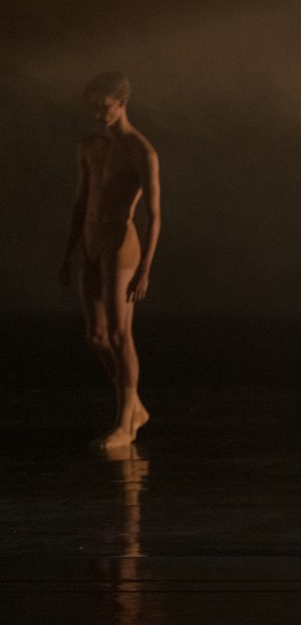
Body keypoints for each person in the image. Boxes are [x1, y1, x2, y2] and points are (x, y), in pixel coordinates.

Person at [60, 71, 161, 449]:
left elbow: (154, 215)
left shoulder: (141, 150)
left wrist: (145, 268)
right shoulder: (88, 146)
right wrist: (69, 252)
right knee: (97, 336)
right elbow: (81, 202)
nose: (98, 113)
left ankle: (125, 424)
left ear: (121, 103)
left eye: (104, 106)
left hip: (120, 245)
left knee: (120, 335)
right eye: (93, 107)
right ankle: (135, 406)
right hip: (90, 242)